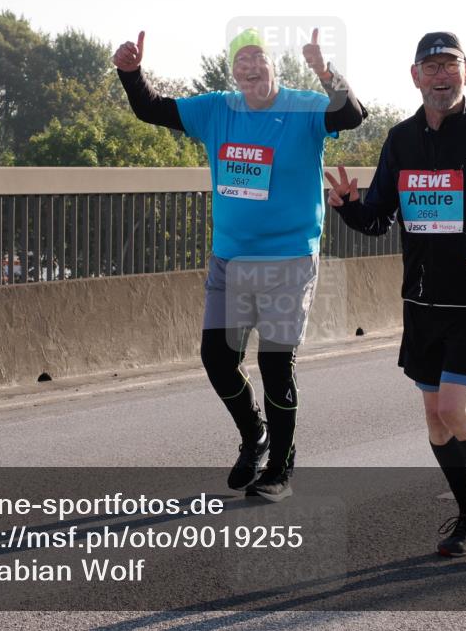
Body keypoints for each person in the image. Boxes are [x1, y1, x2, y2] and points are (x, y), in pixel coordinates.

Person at [113, 27, 365, 501]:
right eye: (241, 61)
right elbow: (152, 108)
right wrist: (131, 74)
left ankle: (281, 470)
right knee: (218, 358)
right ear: (233, 71)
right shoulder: (216, 110)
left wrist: (324, 70)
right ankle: (255, 435)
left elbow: (350, 115)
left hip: (289, 260)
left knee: (275, 362)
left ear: (273, 65)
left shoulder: (303, 106)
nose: (250, 67)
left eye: (258, 58)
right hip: (231, 258)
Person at [326, 31, 466, 558]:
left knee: (453, 407)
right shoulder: (401, 139)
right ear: (415, 77)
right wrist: (347, 207)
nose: (441, 76)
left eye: (450, 66)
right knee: (434, 417)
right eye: (431, 68)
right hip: (421, 300)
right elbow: (380, 217)